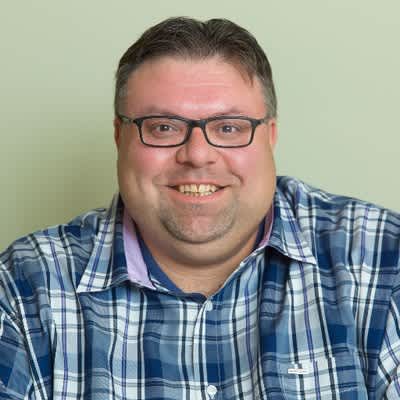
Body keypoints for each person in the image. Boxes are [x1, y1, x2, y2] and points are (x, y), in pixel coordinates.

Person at [0, 17, 399, 400]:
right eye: (163, 127)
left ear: (271, 136)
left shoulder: (383, 260)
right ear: (120, 137)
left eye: (229, 128)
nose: (197, 154)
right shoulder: (25, 288)